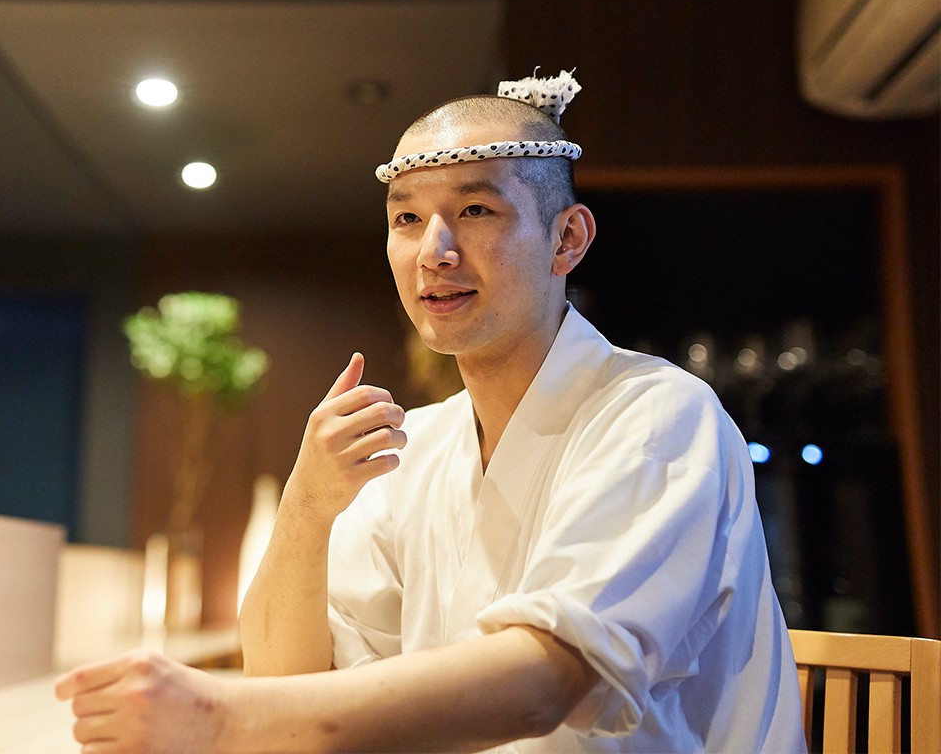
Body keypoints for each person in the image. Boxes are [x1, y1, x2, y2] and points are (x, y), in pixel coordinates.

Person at [55, 70, 807, 753]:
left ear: (567, 239)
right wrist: (307, 504)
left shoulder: (657, 414)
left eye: (476, 209)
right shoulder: (415, 444)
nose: (433, 251)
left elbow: (549, 681)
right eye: (407, 220)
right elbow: (288, 681)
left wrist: (221, 719)